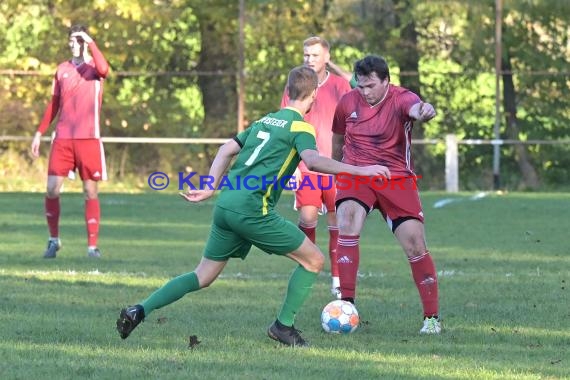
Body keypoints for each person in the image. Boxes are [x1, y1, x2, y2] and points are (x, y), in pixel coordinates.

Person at [116, 66, 391, 347]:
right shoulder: (301, 128)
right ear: (314, 95)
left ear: (287, 91)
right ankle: (283, 326)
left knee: (202, 275)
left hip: (226, 206)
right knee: (315, 260)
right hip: (252, 210)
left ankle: (139, 310)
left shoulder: (265, 121)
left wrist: (211, 186)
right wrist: (362, 170)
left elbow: (226, 149)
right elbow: (314, 161)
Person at [331, 55, 441, 334]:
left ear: (386, 82)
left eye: (370, 86)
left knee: (416, 244)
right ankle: (347, 306)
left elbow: (415, 109)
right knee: (347, 219)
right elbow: (338, 136)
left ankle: (431, 319)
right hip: (357, 173)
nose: (364, 91)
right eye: (360, 86)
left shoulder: (402, 98)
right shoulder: (347, 102)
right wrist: (340, 169)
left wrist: (424, 110)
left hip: (396, 178)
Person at [280, 36, 351, 299]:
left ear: (327, 58)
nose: (309, 60)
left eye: (314, 55)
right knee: (307, 219)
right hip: (306, 168)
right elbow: (287, 126)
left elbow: (352, 120)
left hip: (334, 167)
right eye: (306, 55)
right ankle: (306, 270)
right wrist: (293, 168)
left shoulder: (341, 86)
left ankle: (336, 280)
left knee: (337, 222)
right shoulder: (296, 85)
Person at [31, 24, 109, 258]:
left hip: (88, 139)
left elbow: (105, 70)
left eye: (78, 40)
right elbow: (54, 104)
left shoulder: (95, 67)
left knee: (90, 192)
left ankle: (92, 247)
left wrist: (91, 41)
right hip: (63, 138)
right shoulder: (61, 70)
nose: (73, 44)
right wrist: (39, 132)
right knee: (52, 189)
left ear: (85, 41)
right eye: (72, 40)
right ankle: (54, 240)